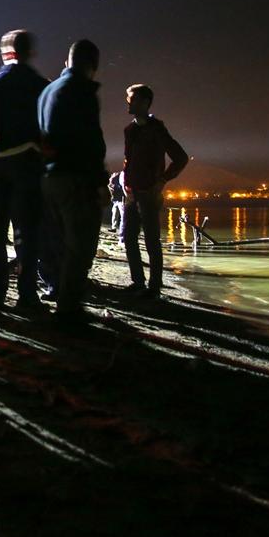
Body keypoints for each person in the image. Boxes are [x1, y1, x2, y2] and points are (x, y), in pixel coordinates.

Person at [0, 29, 49, 312]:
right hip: (29, 164)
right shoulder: (42, 84)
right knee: (27, 232)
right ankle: (27, 295)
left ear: (5, 52)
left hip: (0, 165)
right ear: (31, 52)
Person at [38, 39, 110, 326]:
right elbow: (91, 141)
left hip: (48, 179)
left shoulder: (48, 91)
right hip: (74, 178)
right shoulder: (82, 90)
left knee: (57, 243)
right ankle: (68, 310)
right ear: (93, 66)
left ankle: (58, 295)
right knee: (80, 246)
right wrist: (100, 182)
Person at [120, 83, 189, 297]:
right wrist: (125, 179)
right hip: (131, 193)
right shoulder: (129, 129)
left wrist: (163, 180)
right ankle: (138, 282)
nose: (127, 102)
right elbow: (129, 159)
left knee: (151, 240)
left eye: (131, 98)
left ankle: (154, 286)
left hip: (149, 193)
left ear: (144, 102)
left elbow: (180, 157)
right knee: (129, 238)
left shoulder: (156, 128)